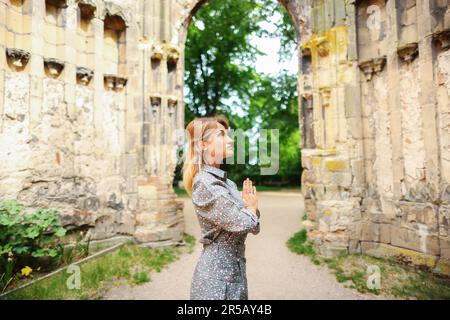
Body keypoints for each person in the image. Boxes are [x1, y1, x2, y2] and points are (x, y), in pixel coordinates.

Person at [182, 114, 261, 300]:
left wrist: (251, 210)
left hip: (235, 273)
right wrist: (251, 209)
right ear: (203, 145)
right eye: (221, 135)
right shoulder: (206, 184)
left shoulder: (228, 184)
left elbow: (253, 225)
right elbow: (245, 222)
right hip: (216, 281)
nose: (230, 140)